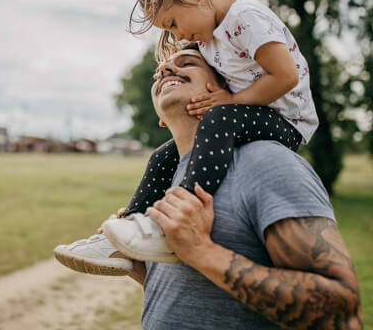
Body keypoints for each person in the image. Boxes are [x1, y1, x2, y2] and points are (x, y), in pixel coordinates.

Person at [54, 0, 319, 269]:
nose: (176, 35)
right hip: (248, 115)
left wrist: (231, 102)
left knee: (221, 116)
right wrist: (169, 77)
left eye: (173, 22)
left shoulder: (246, 18)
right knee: (162, 155)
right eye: (170, 31)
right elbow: (200, 73)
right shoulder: (212, 34)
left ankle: (177, 218)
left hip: (285, 121)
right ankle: (125, 234)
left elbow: (286, 76)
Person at [127, 47, 362, 329]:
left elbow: (341, 313)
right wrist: (143, 266)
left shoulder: (268, 163)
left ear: (226, 87)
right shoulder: (172, 176)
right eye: (160, 71)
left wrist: (202, 251)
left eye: (187, 63)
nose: (166, 70)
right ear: (161, 118)